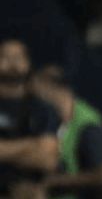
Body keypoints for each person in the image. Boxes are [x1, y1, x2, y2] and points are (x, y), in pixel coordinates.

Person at [29, 65, 102, 199]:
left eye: (36, 94)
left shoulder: (87, 124)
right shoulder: (54, 123)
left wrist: (53, 182)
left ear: (49, 88)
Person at [0, 38, 59, 199]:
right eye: (5, 57)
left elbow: (47, 159)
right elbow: (39, 151)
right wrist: (31, 146)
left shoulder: (42, 109)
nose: (12, 63)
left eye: (18, 57)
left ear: (27, 63)